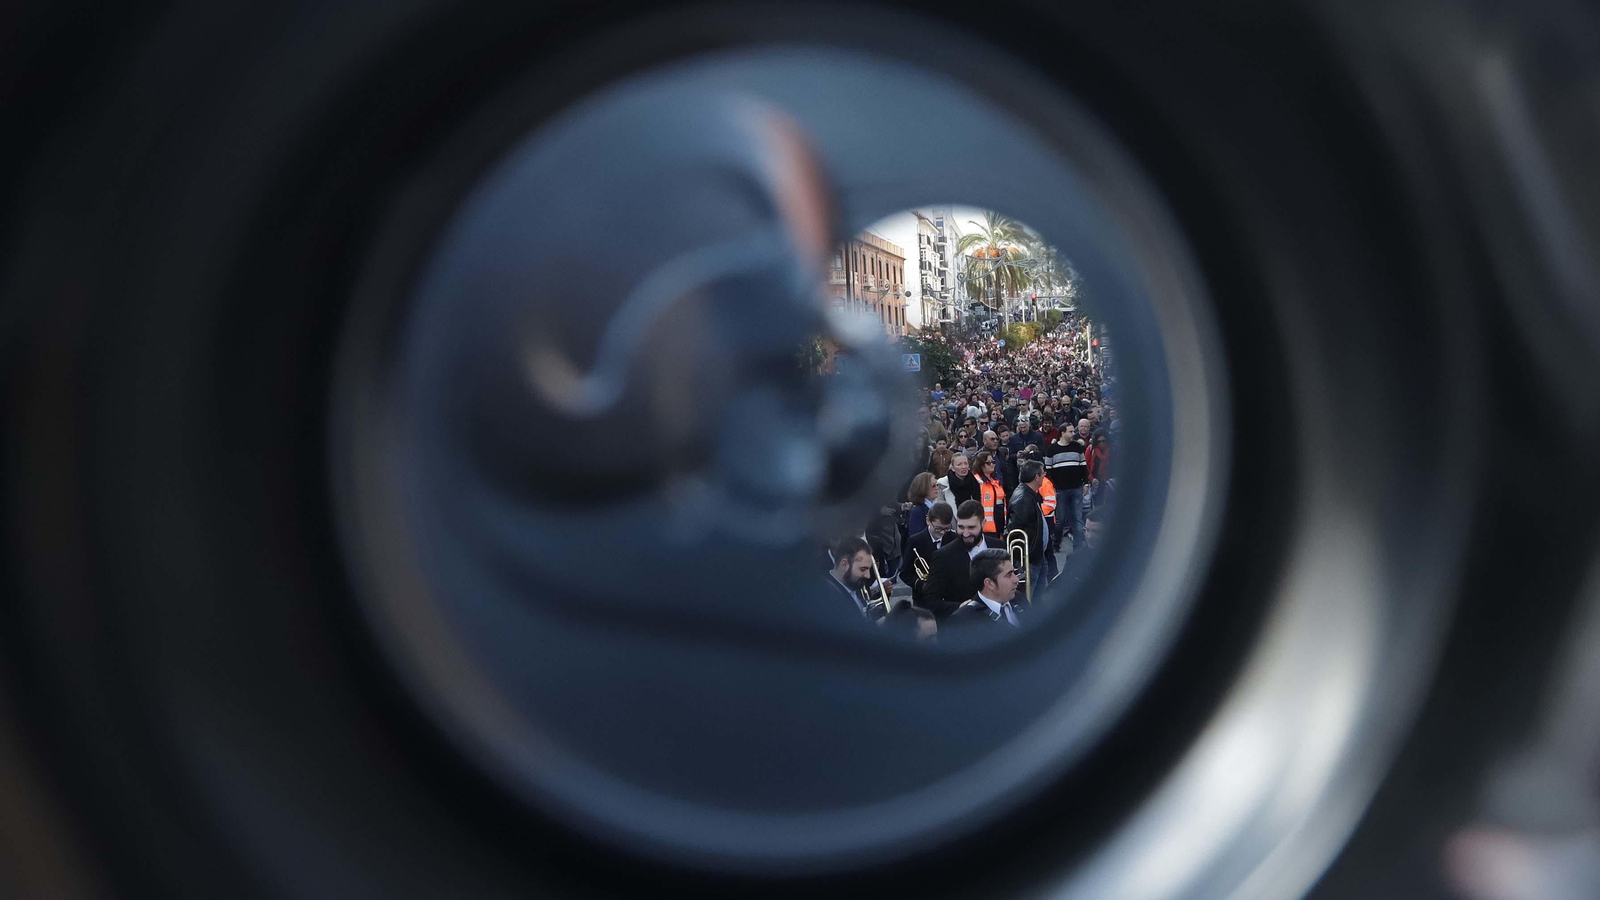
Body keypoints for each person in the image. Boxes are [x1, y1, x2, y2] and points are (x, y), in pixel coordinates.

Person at [920, 500, 996, 620]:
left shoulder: (1000, 546)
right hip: (963, 626)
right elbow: (931, 600)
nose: (965, 534)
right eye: (961, 527)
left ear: (983, 524)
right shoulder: (943, 556)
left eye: (971, 527)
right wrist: (960, 607)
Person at [945, 549, 1025, 639]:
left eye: (1014, 573)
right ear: (989, 584)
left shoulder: (1020, 599)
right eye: (1009, 575)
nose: (1016, 580)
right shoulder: (962, 621)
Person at [901, 501, 954, 608]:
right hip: (923, 600)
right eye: (938, 528)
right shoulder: (915, 541)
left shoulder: (954, 539)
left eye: (946, 528)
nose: (942, 533)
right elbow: (905, 574)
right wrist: (922, 585)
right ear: (928, 521)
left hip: (949, 599)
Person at [1045, 421, 1089, 550]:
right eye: (1070, 431)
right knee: (1060, 519)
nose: (1073, 434)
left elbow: (1083, 467)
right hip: (1060, 489)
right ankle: (1056, 542)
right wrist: (1052, 486)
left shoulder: (1077, 447)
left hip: (1076, 488)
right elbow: (1048, 470)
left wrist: (1085, 483)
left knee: (1077, 518)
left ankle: (1078, 547)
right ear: (1062, 433)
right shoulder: (1052, 449)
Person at [1008, 459, 1049, 593]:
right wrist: (1022, 560)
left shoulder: (1029, 494)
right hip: (1030, 558)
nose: (1045, 475)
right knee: (1028, 595)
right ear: (1036, 477)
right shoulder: (1023, 498)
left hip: (1036, 554)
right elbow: (1015, 531)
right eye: (1043, 473)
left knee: (1039, 596)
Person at [824, 536, 878, 622]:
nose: (868, 576)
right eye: (863, 569)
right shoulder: (828, 598)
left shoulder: (853, 585)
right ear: (844, 564)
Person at [973, 451, 1005, 538]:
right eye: (988, 463)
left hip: (999, 525)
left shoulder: (995, 482)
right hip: (985, 528)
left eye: (993, 462)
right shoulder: (977, 481)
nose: (992, 464)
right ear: (981, 465)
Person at [905, 471, 939, 537]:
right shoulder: (916, 511)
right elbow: (916, 536)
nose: (937, 488)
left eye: (937, 485)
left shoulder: (939, 506)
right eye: (933, 486)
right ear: (923, 488)